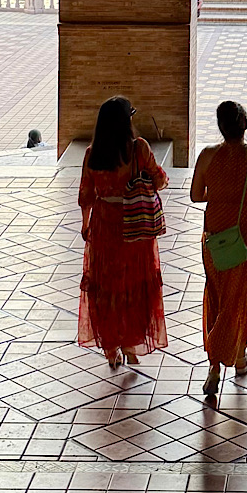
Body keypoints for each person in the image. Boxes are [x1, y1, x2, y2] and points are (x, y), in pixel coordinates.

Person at [189, 100, 247, 404]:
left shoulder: (207, 156)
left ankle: (218, 365)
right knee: (242, 295)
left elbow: (196, 195)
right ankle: (235, 357)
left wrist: (222, 194)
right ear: (245, 125)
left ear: (221, 127)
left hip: (217, 234)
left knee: (220, 295)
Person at [76, 95, 168, 370]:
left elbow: (85, 195)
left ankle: (111, 347)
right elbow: (160, 179)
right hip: (136, 227)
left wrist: (85, 224)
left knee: (106, 287)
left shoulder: (93, 153)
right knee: (134, 285)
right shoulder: (139, 149)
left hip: (104, 225)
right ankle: (130, 344)